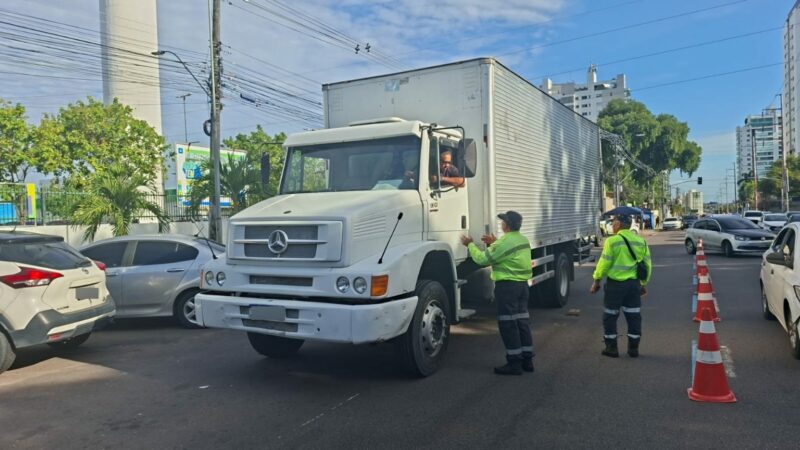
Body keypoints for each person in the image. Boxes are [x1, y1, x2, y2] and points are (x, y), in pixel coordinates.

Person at [460, 211, 533, 375]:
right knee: (522, 323)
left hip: (508, 288)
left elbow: (482, 259)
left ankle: (514, 364)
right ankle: (527, 360)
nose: (501, 224)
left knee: (508, 325)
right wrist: (494, 243)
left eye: (503, 221)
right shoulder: (522, 239)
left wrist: (470, 245)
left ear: (506, 225)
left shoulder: (504, 242)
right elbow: (508, 254)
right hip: (522, 287)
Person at [590, 214, 652, 358]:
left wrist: (596, 280)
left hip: (615, 286)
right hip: (633, 286)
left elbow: (604, 263)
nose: (612, 225)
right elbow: (647, 265)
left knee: (610, 317)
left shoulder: (612, 241)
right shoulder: (640, 241)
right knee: (634, 316)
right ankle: (633, 349)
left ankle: (611, 349)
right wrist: (643, 284)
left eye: (614, 222)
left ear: (619, 224)